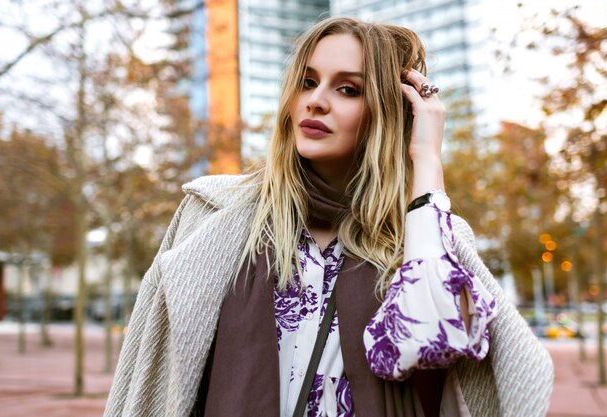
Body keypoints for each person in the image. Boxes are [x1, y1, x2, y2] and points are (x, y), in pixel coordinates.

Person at [103, 17, 553, 417]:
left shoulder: (425, 235)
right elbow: (147, 380)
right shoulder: (212, 216)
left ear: (386, 114)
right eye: (307, 81)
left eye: (348, 89)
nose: (316, 101)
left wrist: (426, 159)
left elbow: (430, 341)